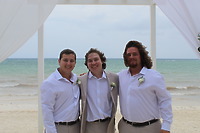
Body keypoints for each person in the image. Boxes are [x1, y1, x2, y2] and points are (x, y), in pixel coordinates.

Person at [118, 40, 173, 133]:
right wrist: (86, 76)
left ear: (141, 56)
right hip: (125, 127)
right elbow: (104, 79)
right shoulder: (120, 76)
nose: (131, 57)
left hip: (150, 127)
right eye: (129, 55)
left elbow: (165, 100)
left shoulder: (154, 76)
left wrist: (166, 126)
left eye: (135, 54)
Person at [78, 48, 119, 133]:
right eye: (90, 61)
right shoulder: (81, 80)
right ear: (87, 64)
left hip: (108, 125)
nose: (93, 63)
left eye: (96, 59)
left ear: (102, 61)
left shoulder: (114, 78)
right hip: (89, 126)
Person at [40, 49, 80, 133]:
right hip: (58, 128)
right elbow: (47, 110)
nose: (68, 63)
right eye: (65, 60)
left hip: (76, 127)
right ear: (59, 61)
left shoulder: (76, 79)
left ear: (75, 63)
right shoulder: (49, 83)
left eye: (71, 61)